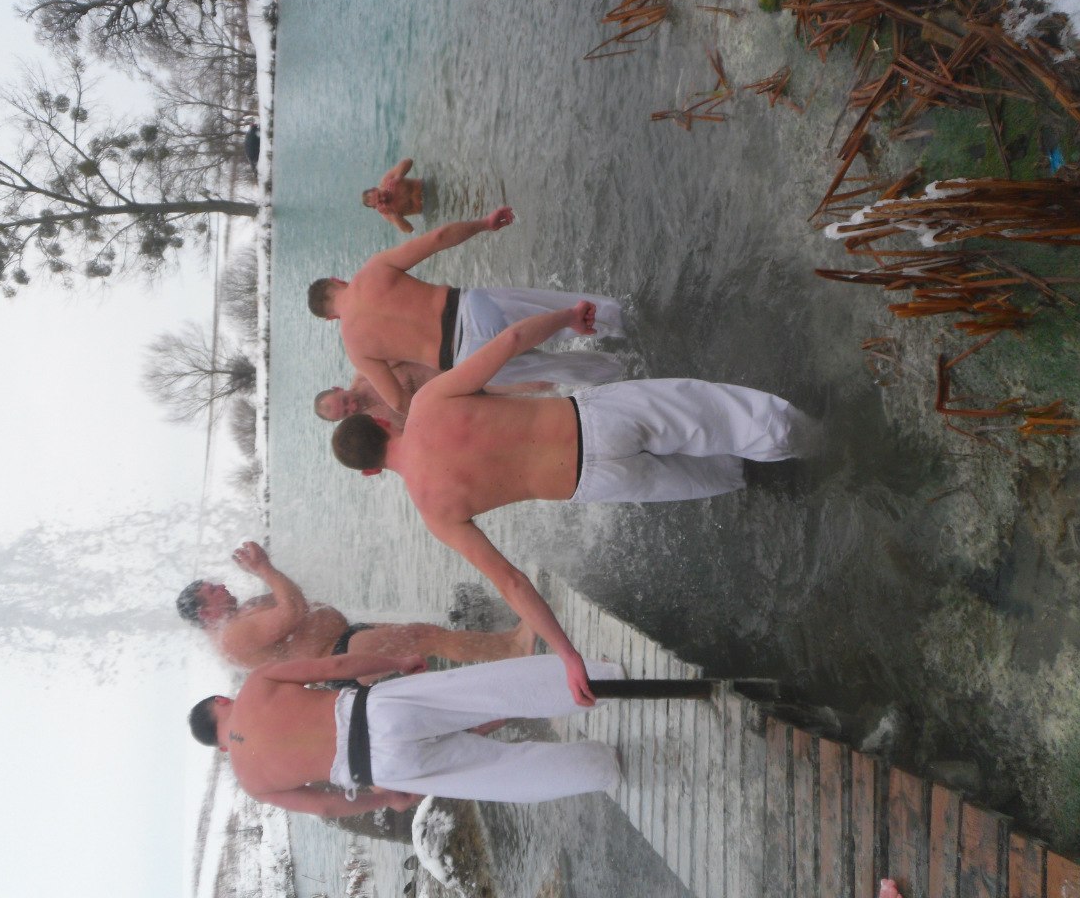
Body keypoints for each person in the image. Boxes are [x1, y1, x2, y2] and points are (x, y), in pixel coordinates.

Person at [330, 302, 812, 704]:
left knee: (720, 475)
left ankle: (784, 475)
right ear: (381, 423)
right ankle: (815, 440)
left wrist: (568, 656)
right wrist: (566, 317)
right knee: (721, 415)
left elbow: (513, 583)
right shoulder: (429, 403)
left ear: (371, 472)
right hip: (593, 420)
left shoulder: (434, 511)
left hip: (595, 481)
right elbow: (511, 340)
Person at [187, 651, 626, 813]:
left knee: (502, 773)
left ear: (221, 748)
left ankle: (601, 767)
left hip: (379, 768)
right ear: (220, 702)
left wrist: (386, 799)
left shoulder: (253, 784)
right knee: (492, 692)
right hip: (377, 712)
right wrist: (395, 662)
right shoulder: (255, 686)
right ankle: (605, 681)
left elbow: (323, 805)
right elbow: (334, 666)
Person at [307, 206, 624, 414]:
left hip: (470, 359)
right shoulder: (372, 271)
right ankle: (627, 319)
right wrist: (483, 224)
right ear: (337, 281)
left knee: (565, 370)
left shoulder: (356, 349)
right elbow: (438, 238)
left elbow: (400, 402)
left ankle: (626, 374)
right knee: (575, 312)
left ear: (330, 318)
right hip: (473, 309)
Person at [177, 541, 535, 671]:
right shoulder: (231, 638)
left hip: (343, 643)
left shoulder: (238, 619)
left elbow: (290, 604)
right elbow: (293, 611)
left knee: (429, 637)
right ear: (206, 612)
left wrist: (265, 572)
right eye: (213, 590)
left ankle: (508, 647)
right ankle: (513, 648)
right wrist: (265, 570)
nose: (222, 585)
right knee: (429, 638)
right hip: (337, 655)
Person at [314, 363, 556, 430]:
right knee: (538, 416)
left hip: (465, 370)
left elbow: (409, 341)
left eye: (345, 401)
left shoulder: (369, 370)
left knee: (538, 382)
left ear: (338, 388)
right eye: (346, 413)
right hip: (466, 411)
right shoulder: (374, 426)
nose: (352, 406)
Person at [362, 158, 423, 234]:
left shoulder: (387, 180)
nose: (383, 198)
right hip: (429, 207)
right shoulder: (387, 213)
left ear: (375, 189)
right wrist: (393, 213)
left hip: (428, 186)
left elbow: (409, 161)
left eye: (379, 195)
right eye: (380, 202)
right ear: (375, 207)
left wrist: (398, 177)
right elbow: (410, 229)